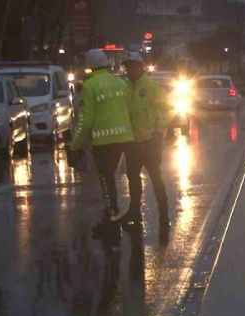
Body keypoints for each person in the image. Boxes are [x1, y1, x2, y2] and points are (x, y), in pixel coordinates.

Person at [70, 49, 135, 238]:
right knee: (118, 176)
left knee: (106, 179)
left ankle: (111, 217)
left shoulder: (89, 87)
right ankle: (123, 212)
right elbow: (130, 109)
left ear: (90, 66)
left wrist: (76, 144)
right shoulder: (120, 83)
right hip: (125, 138)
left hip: (103, 141)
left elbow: (86, 120)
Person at [117, 53, 170, 232]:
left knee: (156, 178)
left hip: (150, 142)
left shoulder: (151, 87)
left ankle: (164, 214)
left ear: (140, 67)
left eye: (132, 66)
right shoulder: (125, 87)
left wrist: (158, 132)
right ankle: (134, 212)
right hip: (132, 143)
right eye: (127, 66)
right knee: (132, 178)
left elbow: (165, 110)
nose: (129, 70)